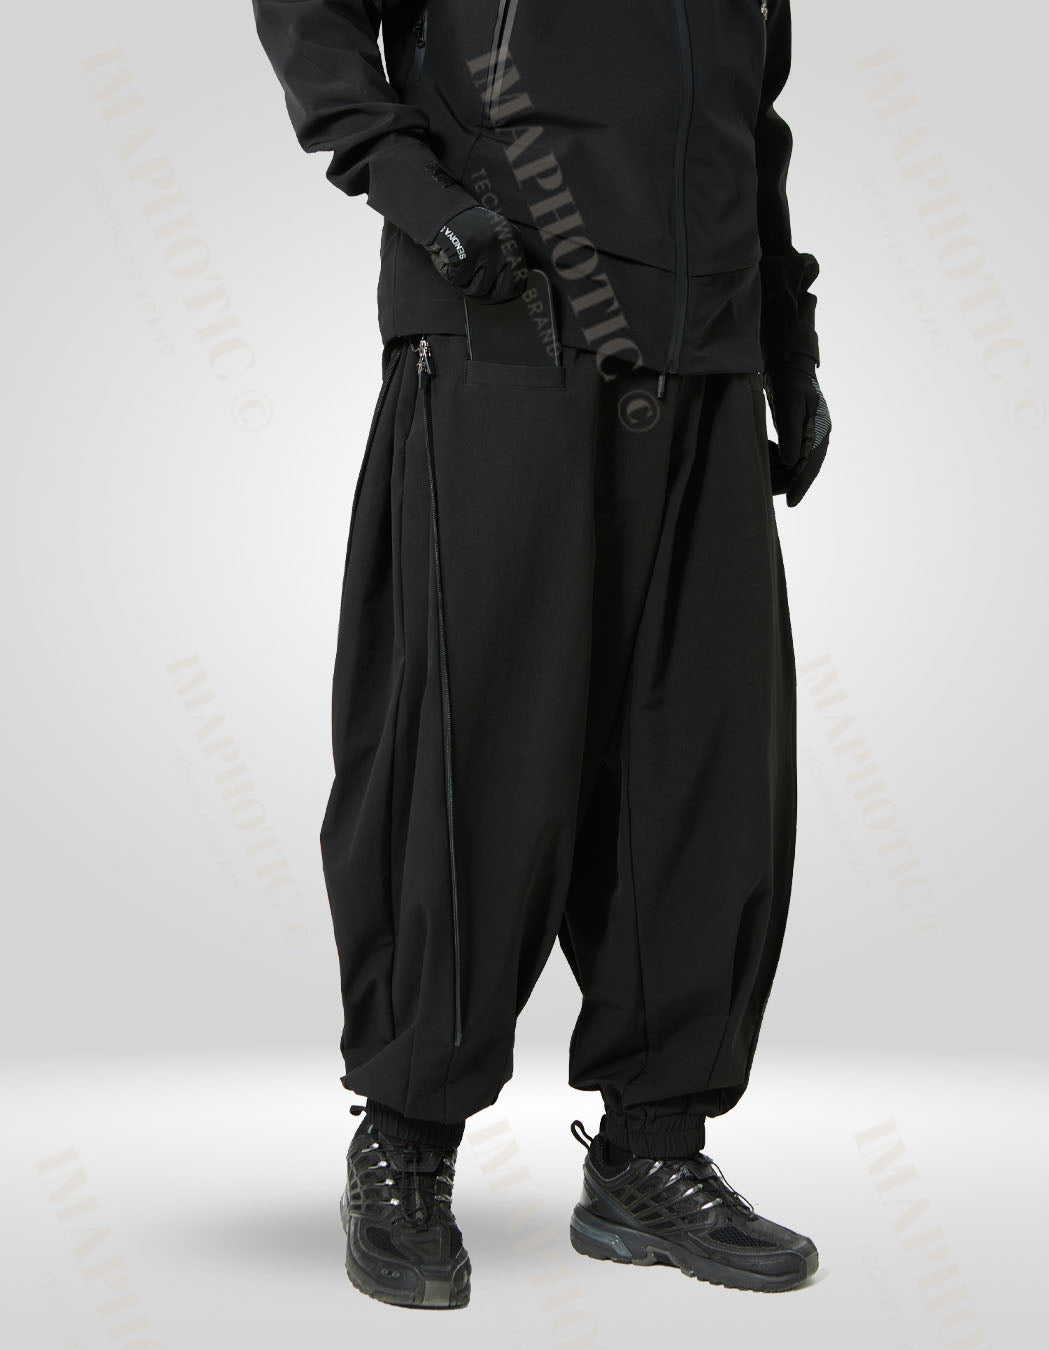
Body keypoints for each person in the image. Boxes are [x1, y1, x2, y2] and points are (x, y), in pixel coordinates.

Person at [251, 0, 832, 1309]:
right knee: (474, 746)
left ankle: (652, 1149)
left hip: (704, 353)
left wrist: (785, 339)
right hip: (508, 319)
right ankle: (406, 1136)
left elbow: (750, 117)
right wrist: (415, 192)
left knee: (701, 758)